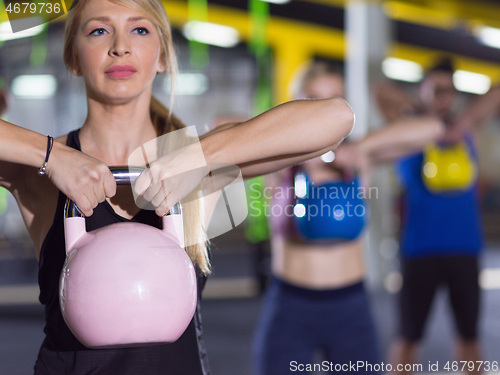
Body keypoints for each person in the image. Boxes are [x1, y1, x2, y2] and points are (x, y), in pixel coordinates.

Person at [0, 0, 356, 373]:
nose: (120, 45)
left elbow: (337, 118)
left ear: (162, 57)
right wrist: (51, 155)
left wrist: (196, 156)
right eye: (98, 30)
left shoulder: (198, 164)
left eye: (139, 29)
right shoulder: (38, 171)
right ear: (72, 57)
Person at [251, 62, 444, 375]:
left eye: (334, 99)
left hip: (350, 306)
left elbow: (432, 128)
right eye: (312, 98)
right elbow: (220, 124)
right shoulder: (277, 161)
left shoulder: (358, 158)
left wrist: (362, 146)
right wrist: (288, 139)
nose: (323, 110)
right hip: (290, 305)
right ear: (293, 104)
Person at [375, 57, 500, 374]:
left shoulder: (466, 130)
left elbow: (497, 92)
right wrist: (423, 112)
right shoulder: (409, 132)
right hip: (419, 251)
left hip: (465, 249)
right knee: (408, 338)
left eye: (449, 90)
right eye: (436, 89)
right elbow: (379, 91)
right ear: (423, 91)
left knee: (470, 338)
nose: (444, 96)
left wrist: (458, 123)